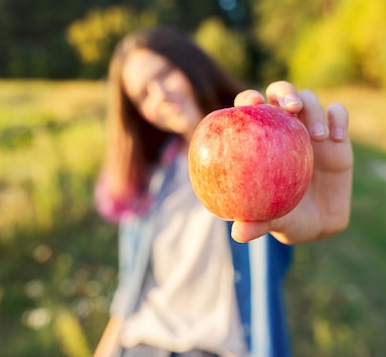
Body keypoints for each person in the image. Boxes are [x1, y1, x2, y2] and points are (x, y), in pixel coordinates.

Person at [93, 27, 353, 357]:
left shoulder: (262, 153)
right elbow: (130, 289)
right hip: (140, 344)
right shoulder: (149, 182)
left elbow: (273, 248)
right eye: (142, 95)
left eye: (164, 73)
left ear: (191, 65)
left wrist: (294, 175)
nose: (159, 95)